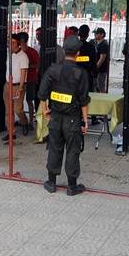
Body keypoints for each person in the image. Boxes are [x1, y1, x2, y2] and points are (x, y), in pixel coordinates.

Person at [38, 35, 90, 196]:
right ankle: (71, 186)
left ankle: (51, 183)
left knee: (54, 147)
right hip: (72, 119)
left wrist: (45, 110)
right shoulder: (81, 73)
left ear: (64, 50)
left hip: (55, 117)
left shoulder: (53, 70)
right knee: (73, 150)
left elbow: (42, 94)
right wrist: (85, 121)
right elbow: (84, 100)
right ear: (78, 53)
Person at [2, 34, 29, 140]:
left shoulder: (23, 56)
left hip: (17, 86)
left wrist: (20, 88)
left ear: (17, 43)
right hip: (8, 85)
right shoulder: (9, 54)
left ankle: (24, 121)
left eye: (11, 42)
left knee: (18, 109)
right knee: (8, 111)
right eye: (8, 42)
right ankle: (11, 132)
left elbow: (23, 74)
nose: (9, 44)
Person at [18, 31, 39, 132]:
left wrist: (26, 66)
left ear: (23, 40)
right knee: (19, 100)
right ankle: (22, 119)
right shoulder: (17, 52)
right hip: (20, 79)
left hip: (30, 79)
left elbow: (38, 65)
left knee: (29, 100)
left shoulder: (32, 51)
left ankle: (30, 120)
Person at [93, 28, 110, 93]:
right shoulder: (97, 44)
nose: (95, 35)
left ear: (102, 34)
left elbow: (102, 58)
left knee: (101, 87)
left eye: (97, 33)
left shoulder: (104, 45)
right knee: (96, 87)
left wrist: (96, 67)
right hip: (98, 70)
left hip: (101, 70)